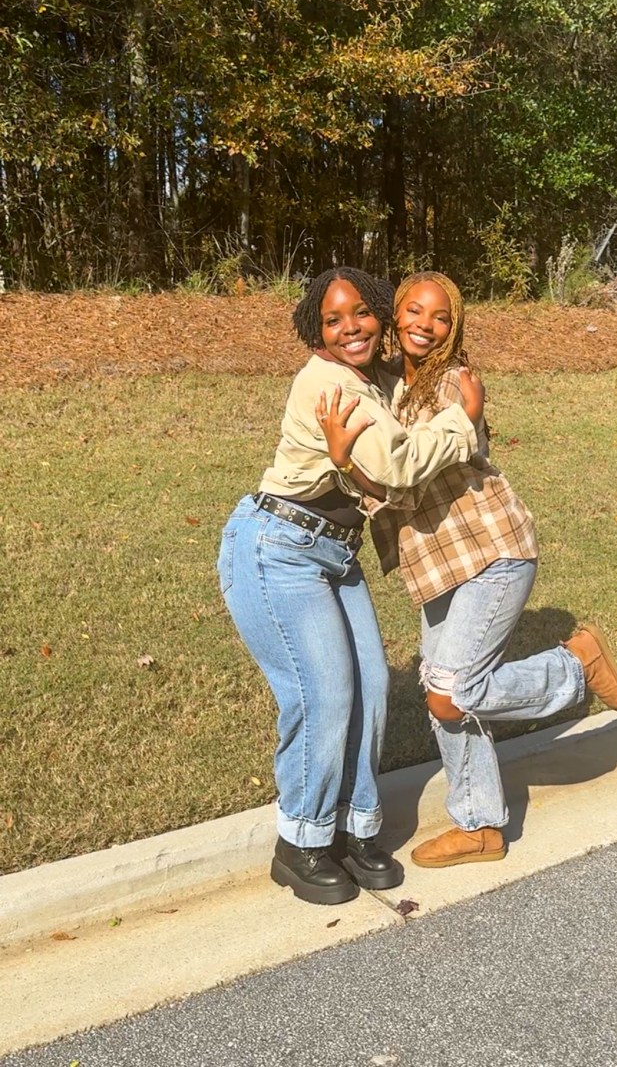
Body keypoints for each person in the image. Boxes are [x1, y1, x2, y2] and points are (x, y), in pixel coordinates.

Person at [318, 271, 617, 869]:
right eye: (412, 311)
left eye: (439, 317)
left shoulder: (456, 384)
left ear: (454, 325)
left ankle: (575, 666)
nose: (423, 326)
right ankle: (480, 825)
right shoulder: (387, 386)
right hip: (439, 562)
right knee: (444, 693)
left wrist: (344, 460)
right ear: (394, 315)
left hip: (491, 552)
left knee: (452, 692)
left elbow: (403, 477)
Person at [216, 267, 480, 905]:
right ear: (316, 330)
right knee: (323, 699)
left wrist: (434, 350)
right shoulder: (329, 383)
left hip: (332, 552)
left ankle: (356, 830)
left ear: (380, 314)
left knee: (371, 692)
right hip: (277, 549)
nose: (352, 327)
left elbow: (410, 391)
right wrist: (463, 420)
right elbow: (398, 465)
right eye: (334, 320)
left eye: (362, 313)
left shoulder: (370, 376)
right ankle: (300, 842)